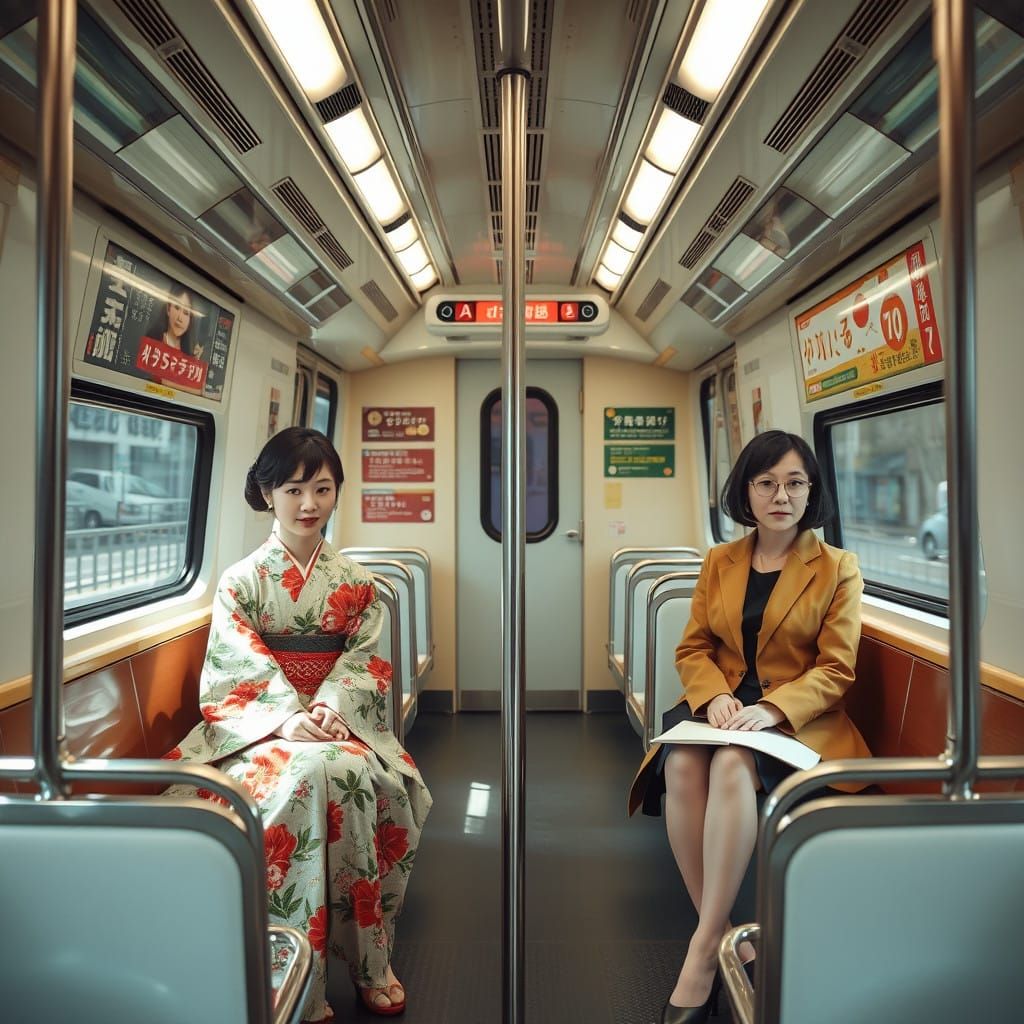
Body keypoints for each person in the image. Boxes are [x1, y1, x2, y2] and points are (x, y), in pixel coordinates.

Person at [164, 427, 431, 1021]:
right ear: (266, 494)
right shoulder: (241, 581)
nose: (309, 504)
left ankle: (370, 959)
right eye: (293, 489)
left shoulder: (359, 586)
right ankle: (293, 974)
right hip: (262, 729)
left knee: (359, 778)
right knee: (305, 775)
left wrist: (333, 705)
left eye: (322, 488)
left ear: (337, 492)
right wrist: (285, 718)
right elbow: (237, 667)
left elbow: (364, 662)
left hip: (340, 723)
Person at [627, 430, 871, 1024]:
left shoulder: (838, 567)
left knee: (734, 764)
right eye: (766, 483)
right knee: (683, 762)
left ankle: (703, 952)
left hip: (796, 720)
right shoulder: (720, 561)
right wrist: (713, 698)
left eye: (794, 483)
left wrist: (775, 709)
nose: (779, 495)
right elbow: (694, 648)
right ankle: (725, 934)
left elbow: (837, 670)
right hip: (722, 709)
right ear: (747, 492)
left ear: (811, 492)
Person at [145, 283, 202, 360]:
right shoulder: (152, 341)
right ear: (168, 309)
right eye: (177, 307)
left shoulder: (191, 353)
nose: (180, 318)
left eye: (186, 313)